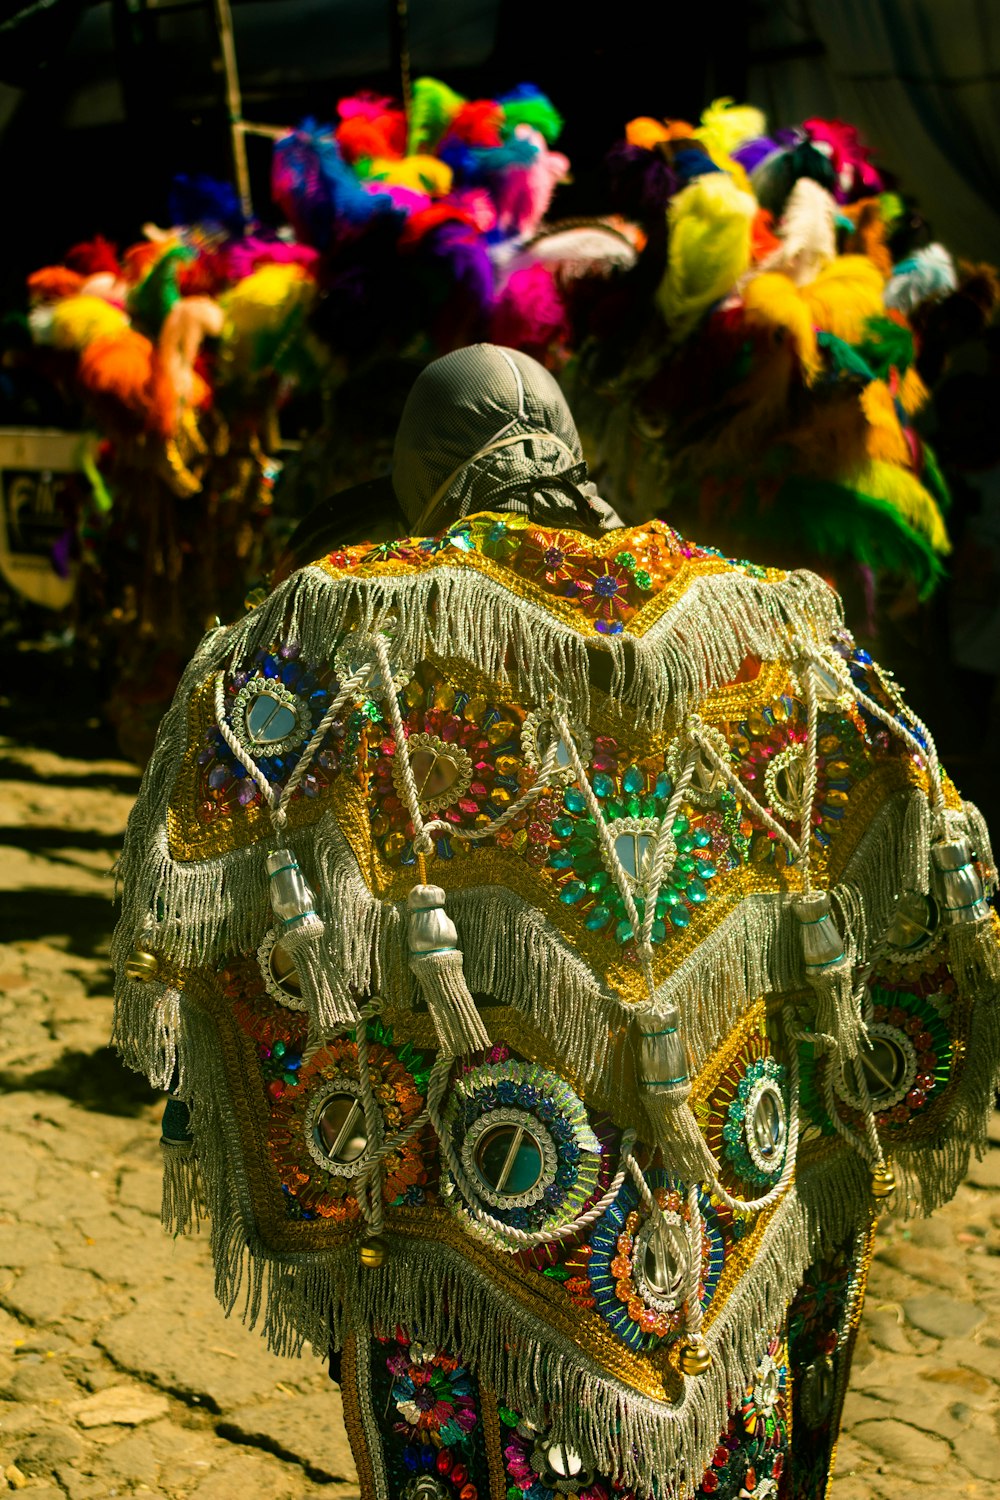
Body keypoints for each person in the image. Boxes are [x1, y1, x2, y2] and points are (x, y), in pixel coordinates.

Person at [113, 344, 1000, 1500]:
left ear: (419, 471)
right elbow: (928, 866)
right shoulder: (778, 623)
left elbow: (203, 880)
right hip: (722, 1176)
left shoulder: (346, 617)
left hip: (500, 1183)